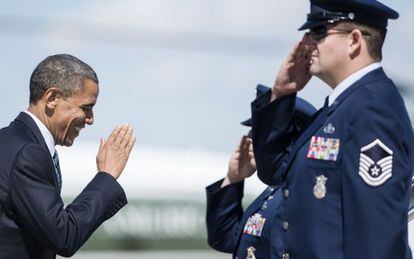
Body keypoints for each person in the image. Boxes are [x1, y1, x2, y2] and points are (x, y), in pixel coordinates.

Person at [251, 0, 414, 258]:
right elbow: (273, 171)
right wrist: (281, 95)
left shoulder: (371, 110)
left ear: (354, 40)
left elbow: (376, 237)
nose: (306, 43)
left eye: (318, 31)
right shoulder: (339, 109)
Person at [0, 54, 135, 258]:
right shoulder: (29, 153)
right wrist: (106, 177)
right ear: (52, 98)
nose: (90, 120)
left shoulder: (8, 140)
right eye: (86, 108)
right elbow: (63, 236)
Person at [206, 85, 316, 258]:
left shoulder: (297, 189)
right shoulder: (274, 191)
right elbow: (224, 238)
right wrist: (233, 178)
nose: (249, 138)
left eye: (259, 132)